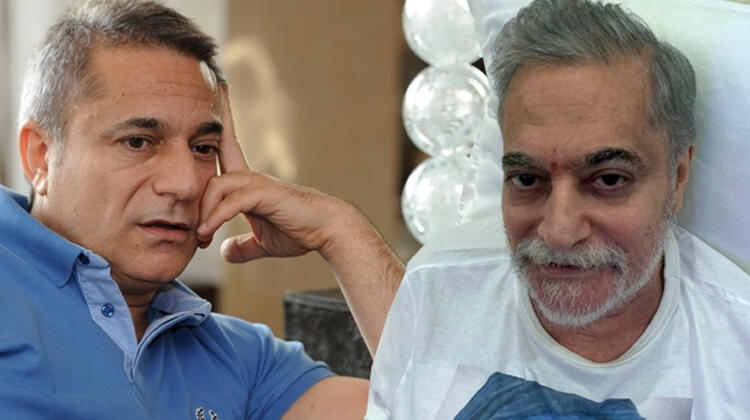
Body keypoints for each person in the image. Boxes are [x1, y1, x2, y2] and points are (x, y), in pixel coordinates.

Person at [0, 0, 404, 418]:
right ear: (41, 157)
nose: (187, 183)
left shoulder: (243, 360)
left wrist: (340, 231)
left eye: (203, 148)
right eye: (138, 142)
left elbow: (436, 404)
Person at [366, 0, 750, 418]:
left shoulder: (736, 349)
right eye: (526, 179)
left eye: (608, 180)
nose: (559, 231)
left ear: (677, 177)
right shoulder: (437, 289)